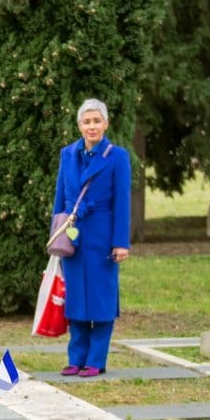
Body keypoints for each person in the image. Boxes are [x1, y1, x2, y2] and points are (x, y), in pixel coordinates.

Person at [53, 98, 131, 378]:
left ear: (106, 124)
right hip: (73, 237)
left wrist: (121, 242)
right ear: (79, 125)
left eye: (97, 121)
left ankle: (96, 360)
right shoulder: (67, 154)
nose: (92, 126)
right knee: (75, 299)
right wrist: (56, 234)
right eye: (87, 121)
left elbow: (122, 202)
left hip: (102, 235)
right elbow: (60, 198)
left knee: (101, 298)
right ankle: (76, 358)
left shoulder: (117, 156)